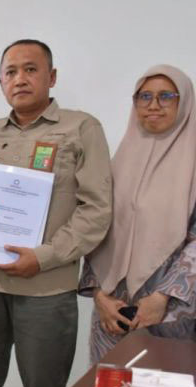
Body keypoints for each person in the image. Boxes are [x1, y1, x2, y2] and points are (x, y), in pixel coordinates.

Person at [0, 39, 113, 387]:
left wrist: (43, 257)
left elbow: (96, 210)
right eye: (10, 72)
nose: (20, 79)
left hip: (45, 289)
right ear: (0, 82)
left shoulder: (81, 128)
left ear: (52, 77)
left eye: (30, 69)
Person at [80, 65, 196, 363]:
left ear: (184, 102)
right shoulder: (119, 162)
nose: (153, 105)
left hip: (173, 313)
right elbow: (96, 227)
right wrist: (99, 296)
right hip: (112, 312)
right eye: (145, 96)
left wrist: (162, 298)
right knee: (110, 385)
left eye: (166, 96)